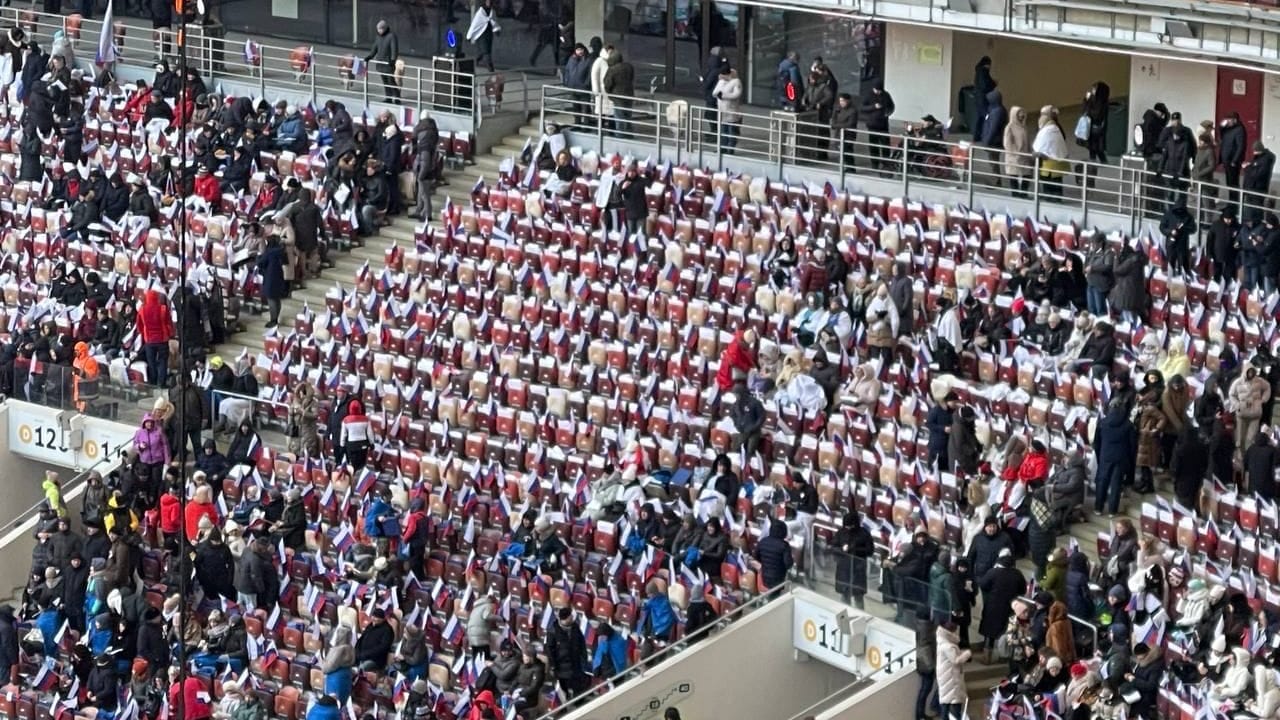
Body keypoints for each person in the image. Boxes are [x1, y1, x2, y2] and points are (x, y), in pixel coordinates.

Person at [545, 607, 588, 698]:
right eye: (570, 616)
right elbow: (549, 650)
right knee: (564, 690)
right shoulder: (553, 632)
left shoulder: (575, 627)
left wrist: (584, 656)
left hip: (576, 663)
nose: (572, 617)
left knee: (578, 688)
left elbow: (581, 642)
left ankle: (579, 702)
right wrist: (553, 666)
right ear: (566, 618)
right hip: (562, 667)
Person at [936, 622, 971, 720]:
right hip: (951, 678)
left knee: (945, 703)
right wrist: (967, 654)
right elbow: (956, 660)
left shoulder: (942, 641)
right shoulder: (948, 646)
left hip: (945, 676)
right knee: (955, 704)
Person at [138, 289, 173, 387]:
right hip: (162, 339)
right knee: (163, 361)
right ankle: (161, 383)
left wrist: (143, 334)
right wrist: (170, 334)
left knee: (151, 362)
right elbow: (168, 323)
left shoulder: (142, 309)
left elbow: (139, 325)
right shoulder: (163, 309)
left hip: (149, 340)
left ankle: (153, 381)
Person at [1033, 105, 1069, 198]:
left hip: (1049, 164)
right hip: (1055, 162)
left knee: (1050, 185)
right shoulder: (1055, 127)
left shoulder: (1049, 129)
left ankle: (1051, 198)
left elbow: (1039, 145)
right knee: (1055, 183)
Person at [255, 236, 288, 329]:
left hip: (270, 278)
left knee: (271, 299)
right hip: (279, 277)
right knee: (277, 299)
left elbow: (260, 263)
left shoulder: (269, 253)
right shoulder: (280, 251)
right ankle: (275, 318)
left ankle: (273, 320)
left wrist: (259, 255)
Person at [364, 20, 400, 103]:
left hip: (388, 64)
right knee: (385, 82)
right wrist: (370, 56)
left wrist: (393, 60)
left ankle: (397, 97)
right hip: (380, 63)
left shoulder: (391, 36)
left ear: (385, 28)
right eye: (378, 29)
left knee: (391, 81)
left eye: (381, 29)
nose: (379, 31)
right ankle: (388, 97)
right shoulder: (378, 37)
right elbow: (375, 48)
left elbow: (394, 49)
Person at [861, 84, 895, 171]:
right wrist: (873, 107)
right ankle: (874, 163)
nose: (878, 92)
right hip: (872, 125)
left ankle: (886, 163)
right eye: (876, 90)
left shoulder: (886, 95)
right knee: (873, 146)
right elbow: (862, 107)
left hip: (883, 125)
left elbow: (891, 106)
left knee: (885, 145)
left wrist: (888, 113)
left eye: (879, 90)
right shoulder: (869, 95)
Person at [1242, 140, 1276, 224]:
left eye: (1255, 151)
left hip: (1257, 187)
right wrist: (1251, 165)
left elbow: (1257, 174)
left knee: (1254, 208)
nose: (1253, 153)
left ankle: (1254, 223)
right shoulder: (1263, 157)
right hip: (1254, 186)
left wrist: (1246, 168)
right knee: (1252, 208)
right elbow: (1256, 167)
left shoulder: (1265, 160)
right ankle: (1251, 222)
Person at [1002, 106, 1032, 197]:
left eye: (1022, 114)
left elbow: (1027, 141)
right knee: (1013, 175)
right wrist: (1015, 153)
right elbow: (1007, 143)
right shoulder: (1009, 127)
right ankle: (1015, 194)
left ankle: (1023, 193)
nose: (1022, 116)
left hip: (1025, 156)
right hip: (1014, 157)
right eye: (1019, 115)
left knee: (1027, 175)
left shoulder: (1023, 127)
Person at [712, 67, 742, 153]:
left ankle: (730, 148)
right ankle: (722, 148)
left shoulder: (736, 82)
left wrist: (724, 95)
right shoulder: (721, 82)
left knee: (732, 131)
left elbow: (736, 94)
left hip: (732, 111)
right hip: (722, 111)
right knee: (723, 131)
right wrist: (718, 94)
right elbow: (714, 92)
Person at [754, 520, 793, 588]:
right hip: (778, 579)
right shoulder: (784, 545)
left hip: (765, 577)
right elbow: (788, 564)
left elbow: (756, 556)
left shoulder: (763, 541)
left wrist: (765, 562)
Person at [466, 0, 500, 72]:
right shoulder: (480, 12)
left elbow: (494, 21)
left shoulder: (492, 11)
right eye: (488, 1)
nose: (489, 3)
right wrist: (469, 36)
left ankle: (472, 64)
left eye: (490, 1)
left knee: (482, 53)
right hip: (481, 35)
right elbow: (474, 25)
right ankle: (491, 69)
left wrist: (496, 30)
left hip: (489, 34)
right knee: (486, 52)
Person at [1220, 111, 1247, 201]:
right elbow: (1221, 136)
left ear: (1235, 120)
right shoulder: (1228, 128)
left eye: (1229, 119)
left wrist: (1234, 161)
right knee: (1229, 183)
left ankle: (1234, 203)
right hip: (1226, 160)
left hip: (1232, 161)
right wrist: (1222, 126)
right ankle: (1231, 202)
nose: (1227, 121)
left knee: (1233, 183)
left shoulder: (1239, 129)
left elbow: (1240, 146)